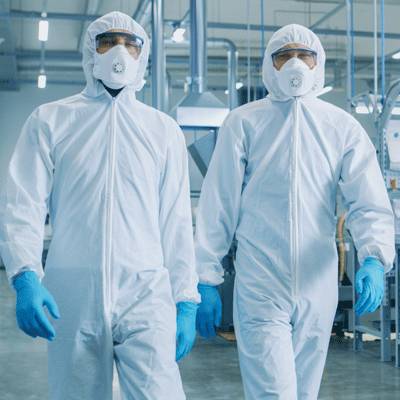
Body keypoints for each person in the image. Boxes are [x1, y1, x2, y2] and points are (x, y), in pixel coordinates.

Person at [0, 11, 199, 400]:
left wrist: (185, 299)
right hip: (73, 292)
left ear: (143, 55)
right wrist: (25, 276)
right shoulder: (52, 120)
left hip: (146, 290)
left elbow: (175, 221)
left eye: (130, 43)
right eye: (108, 42)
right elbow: (23, 204)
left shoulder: (162, 131)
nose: (119, 52)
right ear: (91, 51)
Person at [195, 23, 395, 400]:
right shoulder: (244, 122)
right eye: (284, 55)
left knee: (305, 393)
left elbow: (367, 201)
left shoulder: (341, 127)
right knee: (275, 393)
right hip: (260, 280)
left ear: (317, 63)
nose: (295, 63)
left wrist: (374, 257)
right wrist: (205, 275)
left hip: (317, 283)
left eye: (304, 55)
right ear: (269, 66)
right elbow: (219, 202)